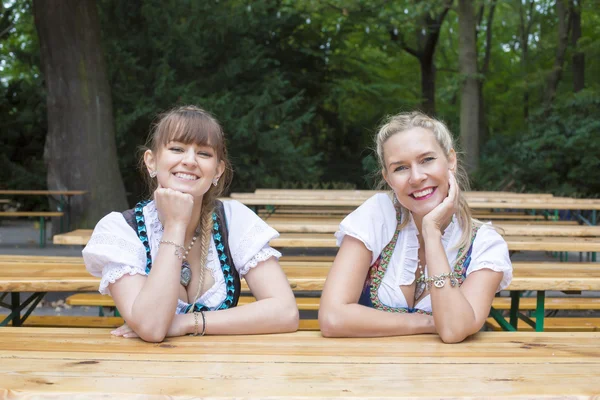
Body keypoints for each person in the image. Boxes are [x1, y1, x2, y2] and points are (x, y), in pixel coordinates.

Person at [83, 105, 299, 342]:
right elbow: (152, 328)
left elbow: (285, 312)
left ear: (217, 170)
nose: (190, 161)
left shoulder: (234, 219)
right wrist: (176, 224)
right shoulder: (120, 229)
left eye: (204, 153)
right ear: (151, 161)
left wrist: (187, 323)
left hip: (224, 371)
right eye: (177, 149)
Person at [318, 111, 512, 343]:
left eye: (427, 160)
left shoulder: (485, 244)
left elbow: (452, 331)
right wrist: (430, 322)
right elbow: (332, 318)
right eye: (400, 168)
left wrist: (431, 233)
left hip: (449, 375)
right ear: (388, 178)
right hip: (367, 370)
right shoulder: (377, 215)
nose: (416, 177)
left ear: (451, 160)